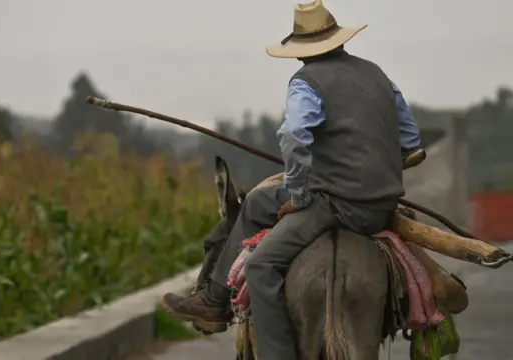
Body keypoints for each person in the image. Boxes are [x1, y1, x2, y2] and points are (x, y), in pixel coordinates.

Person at [162, 1, 423, 359]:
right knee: (257, 201)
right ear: (338, 40)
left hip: (334, 205)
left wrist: (300, 193)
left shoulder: (306, 82)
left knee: (261, 264)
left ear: (301, 51)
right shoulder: (378, 74)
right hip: (380, 206)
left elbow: (294, 135)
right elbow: (410, 141)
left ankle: (217, 302)